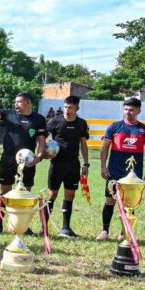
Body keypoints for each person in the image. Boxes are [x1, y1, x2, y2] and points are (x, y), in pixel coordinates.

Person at [0, 88, 47, 234]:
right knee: (4, 191)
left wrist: (38, 157)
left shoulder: (39, 119)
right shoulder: (9, 114)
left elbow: (42, 141)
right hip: (8, 159)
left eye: (19, 102)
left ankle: (23, 226)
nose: (16, 104)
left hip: (28, 160)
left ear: (28, 102)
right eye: (15, 102)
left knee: (26, 192)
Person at [98, 97, 145, 241]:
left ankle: (124, 232)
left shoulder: (144, 130)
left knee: (129, 202)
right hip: (114, 170)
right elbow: (104, 148)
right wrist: (103, 167)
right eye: (125, 109)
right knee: (109, 200)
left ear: (138, 111)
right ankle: (104, 231)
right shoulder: (114, 127)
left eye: (131, 110)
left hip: (133, 173)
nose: (128, 112)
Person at [44, 95, 90, 238]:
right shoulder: (55, 121)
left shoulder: (82, 123)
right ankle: (43, 227)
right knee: (52, 194)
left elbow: (83, 143)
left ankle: (65, 228)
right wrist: (48, 148)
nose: (67, 110)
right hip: (57, 163)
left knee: (70, 194)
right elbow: (44, 136)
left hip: (73, 164)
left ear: (77, 108)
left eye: (70, 107)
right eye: (65, 107)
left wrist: (86, 163)